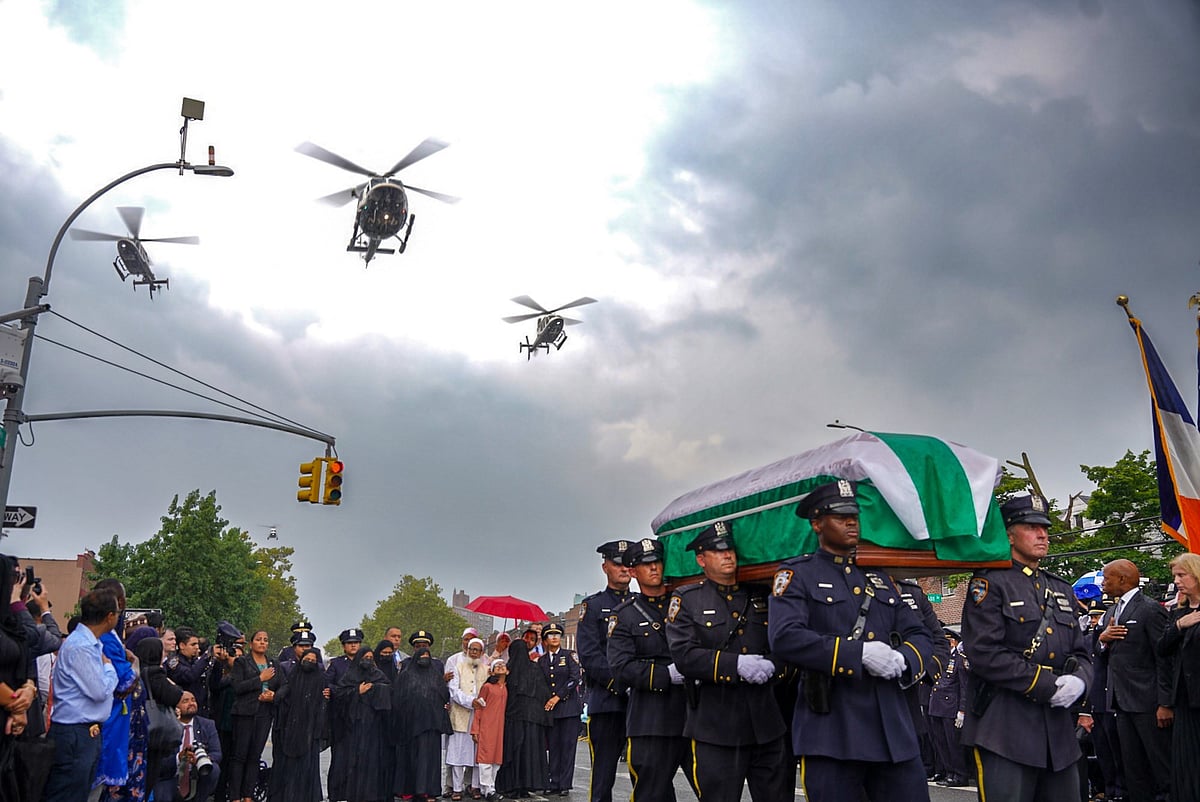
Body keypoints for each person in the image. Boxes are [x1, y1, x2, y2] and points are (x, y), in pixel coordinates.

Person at [768, 480, 934, 802]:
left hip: (891, 730)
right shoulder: (797, 575)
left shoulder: (879, 578)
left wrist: (904, 658)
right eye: (840, 516)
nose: (851, 522)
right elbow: (785, 636)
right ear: (817, 524)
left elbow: (920, 633)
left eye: (854, 516)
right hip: (833, 731)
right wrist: (857, 655)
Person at [960, 493, 1092, 802]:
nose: (1042, 534)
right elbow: (984, 653)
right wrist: (1047, 685)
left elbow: (1082, 651)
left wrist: (1081, 681)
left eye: (1044, 528)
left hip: (1058, 734)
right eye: (1032, 527)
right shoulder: (990, 583)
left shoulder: (1060, 588)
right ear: (1009, 535)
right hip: (1006, 728)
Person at [666, 520, 790, 802]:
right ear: (701, 559)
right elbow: (684, 655)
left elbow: (786, 640)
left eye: (730, 550)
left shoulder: (762, 594)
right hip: (716, 727)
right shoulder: (687, 599)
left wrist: (774, 665)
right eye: (718, 551)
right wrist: (736, 666)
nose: (728, 556)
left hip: (766, 723)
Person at [607, 537, 695, 801]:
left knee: (716, 791)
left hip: (694, 715)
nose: (654, 568)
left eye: (657, 561)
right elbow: (621, 666)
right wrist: (665, 674)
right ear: (633, 572)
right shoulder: (624, 615)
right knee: (651, 794)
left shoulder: (688, 604)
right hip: (651, 720)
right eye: (646, 564)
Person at [1094, 558, 1172, 802]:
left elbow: (1164, 658)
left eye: (1106, 578)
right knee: (1133, 768)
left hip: (1149, 703)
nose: (1103, 583)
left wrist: (1165, 703)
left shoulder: (1149, 609)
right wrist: (1103, 639)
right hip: (1120, 702)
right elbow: (1100, 653)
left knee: (1161, 766)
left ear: (1122, 579)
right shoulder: (1111, 612)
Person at [42, 588, 120, 802]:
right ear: (109, 616)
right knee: (66, 794)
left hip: (86, 732)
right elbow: (99, 691)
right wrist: (109, 669)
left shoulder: (92, 644)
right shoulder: (81, 646)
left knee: (78, 793)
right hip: (74, 732)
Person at [576, 540, 631, 802]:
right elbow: (589, 655)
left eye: (628, 564)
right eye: (618, 564)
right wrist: (620, 682)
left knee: (648, 773)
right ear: (605, 567)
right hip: (608, 700)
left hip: (641, 701)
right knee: (603, 776)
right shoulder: (594, 606)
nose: (624, 569)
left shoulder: (641, 602)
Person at [1157, 552, 1200, 802]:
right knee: (1186, 763)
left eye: (1182, 575)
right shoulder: (1177, 612)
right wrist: (1179, 626)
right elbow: (1162, 649)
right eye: (1175, 576)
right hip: (1184, 699)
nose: (1177, 581)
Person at [391, 635, 449, 802]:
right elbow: (398, 697)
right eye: (420, 654)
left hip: (431, 725)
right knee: (410, 758)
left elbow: (444, 695)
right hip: (410, 725)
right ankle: (408, 790)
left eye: (426, 655)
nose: (424, 658)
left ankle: (428, 790)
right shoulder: (406, 675)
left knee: (428, 759)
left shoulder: (435, 675)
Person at [333, 643, 391, 802]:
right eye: (365, 657)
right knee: (355, 760)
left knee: (373, 760)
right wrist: (357, 692)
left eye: (371, 658)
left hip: (374, 725)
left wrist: (376, 689)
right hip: (355, 726)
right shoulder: (350, 676)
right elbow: (339, 695)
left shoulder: (378, 674)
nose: (368, 660)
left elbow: (388, 690)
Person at [227, 630, 281, 802]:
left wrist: (274, 695)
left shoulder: (273, 663)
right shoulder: (242, 662)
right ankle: (235, 796)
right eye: (259, 640)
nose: (263, 642)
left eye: (265, 640)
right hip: (244, 713)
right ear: (251, 644)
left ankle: (248, 795)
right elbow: (237, 687)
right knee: (239, 755)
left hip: (265, 713)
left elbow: (284, 685)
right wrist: (260, 679)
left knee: (254, 756)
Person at [269, 646, 326, 802]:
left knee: (307, 766)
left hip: (310, 733)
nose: (310, 662)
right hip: (290, 731)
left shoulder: (320, 681)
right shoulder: (292, 678)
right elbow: (282, 698)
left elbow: (322, 706)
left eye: (313, 661)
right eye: (307, 659)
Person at [495, 638, 551, 799]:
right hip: (533, 720)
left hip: (513, 719)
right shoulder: (535, 669)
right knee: (530, 753)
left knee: (514, 753)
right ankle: (527, 784)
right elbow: (544, 693)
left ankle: (511, 785)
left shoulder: (508, 670)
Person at [132, 634, 184, 796]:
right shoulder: (155, 673)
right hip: (154, 730)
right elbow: (174, 695)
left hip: (137, 729)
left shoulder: (136, 672)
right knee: (150, 774)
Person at [1, 554, 32, 802]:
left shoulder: (8, 622)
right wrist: (16, 704)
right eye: (13, 577)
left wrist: (29, 687)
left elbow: (28, 642)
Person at [153, 691, 223, 802]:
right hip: (170, 775)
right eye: (185, 701)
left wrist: (201, 759)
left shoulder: (207, 724)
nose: (191, 703)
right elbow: (158, 762)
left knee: (214, 769)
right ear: (176, 707)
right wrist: (179, 758)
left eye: (193, 700)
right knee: (162, 795)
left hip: (196, 774)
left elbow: (217, 753)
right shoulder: (166, 726)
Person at [538, 624, 582, 795]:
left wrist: (557, 697)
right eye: (550, 635)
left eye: (557, 634)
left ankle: (564, 784)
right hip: (551, 711)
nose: (554, 637)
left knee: (567, 747)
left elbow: (575, 678)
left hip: (569, 708)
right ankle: (554, 781)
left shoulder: (569, 655)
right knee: (554, 747)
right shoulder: (542, 661)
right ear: (545, 640)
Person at [326, 627, 364, 802]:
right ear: (343, 646)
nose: (353, 645)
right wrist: (345, 692)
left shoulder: (366, 662)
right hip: (340, 716)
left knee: (358, 757)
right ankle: (336, 793)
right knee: (340, 757)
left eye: (356, 643)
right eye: (349, 643)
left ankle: (355, 792)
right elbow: (327, 683)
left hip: (361, 716)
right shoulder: (336, 664)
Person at [449, 638, 490, 800]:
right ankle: (457, 788)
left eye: (476, 650)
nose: (473, 652)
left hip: (480, 716)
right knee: (458, 753)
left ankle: (475, 787)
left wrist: (480, 703)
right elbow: (453, 690)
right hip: (460, 714)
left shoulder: (487, 670)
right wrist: (470, 701)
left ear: (481, 653)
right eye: (471, 649)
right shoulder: (457, 666)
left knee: (477, 753)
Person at [927, 630, 970, 787]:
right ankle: (949, 772)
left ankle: (960, 774)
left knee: (953, 744)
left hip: (951, 707)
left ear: (952, 642)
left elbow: (964, 687)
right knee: (941, 742)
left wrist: (962, 710)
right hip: (937, 705)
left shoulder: (960, 658)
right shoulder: (943, 658)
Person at [471, 660, 509, 801]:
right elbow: (479, 708)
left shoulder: (505, 688)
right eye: (496, 666)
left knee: (496, 760)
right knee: (486, 758)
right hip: (487, 727)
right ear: (491, 672)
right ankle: (488, 789)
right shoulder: (487, 687)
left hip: (499, 728)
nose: (500, 667)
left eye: (502, 665)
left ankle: (489, 787)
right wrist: (475, 729)